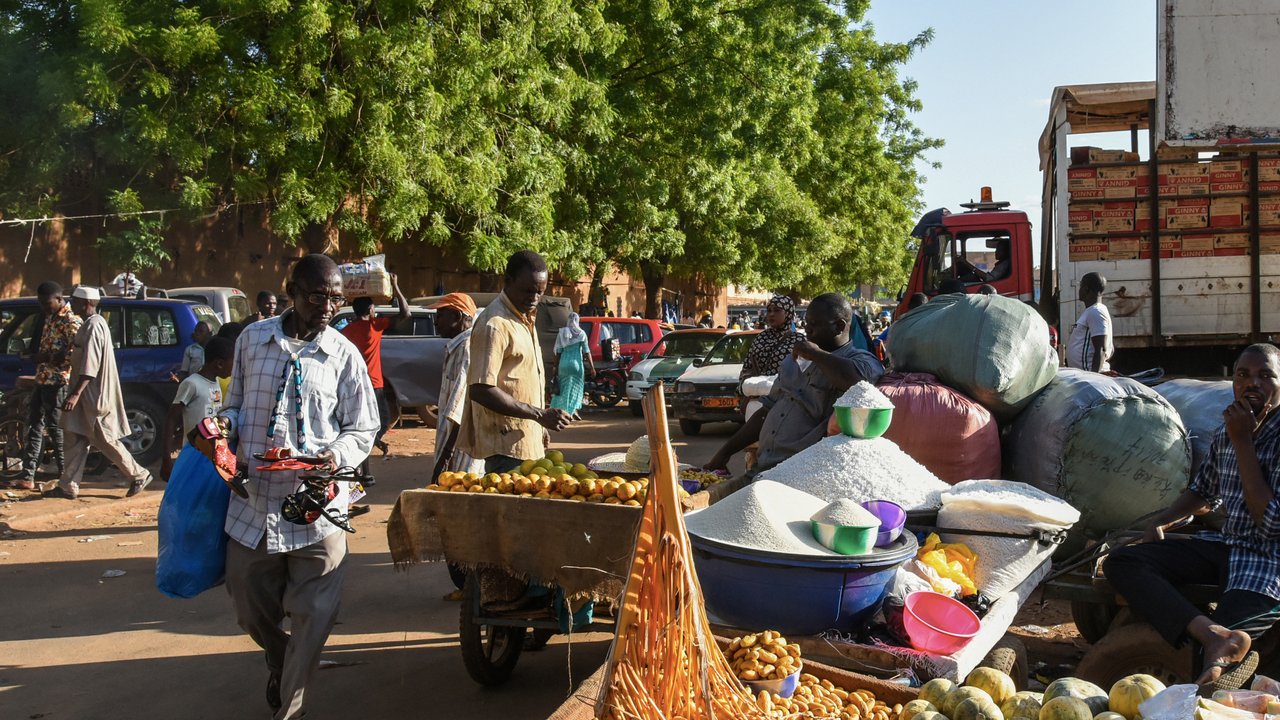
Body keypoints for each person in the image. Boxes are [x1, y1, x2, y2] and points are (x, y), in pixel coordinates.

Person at [219, 253, 379, 719]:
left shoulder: (343, 354)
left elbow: (363, 427)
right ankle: (279, 656)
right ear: (291, 293)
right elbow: (235, 407)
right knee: (249, 607)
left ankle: (290, 709)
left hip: (318, 509)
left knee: (314, 618)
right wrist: (220, 427)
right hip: (254, 505)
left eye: (335, 299)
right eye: (317, 296)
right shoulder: (252, 340)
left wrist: (336, 456)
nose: (327, 307)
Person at [1104, 344, 1280, 690]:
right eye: (1243, 375)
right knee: (1123, 561)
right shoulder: (1230, 429)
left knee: (1211, 669)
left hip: (1269, 561)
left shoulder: (1244, 432)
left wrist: (1244, 443)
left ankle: (1221, 657)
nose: (1252, 383)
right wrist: (1161, 521)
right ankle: (1212, 633)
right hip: (1229, 545)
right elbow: (1204, 491)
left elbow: (1271, 522)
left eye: (1265, 376)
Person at [706, 293, 885, 476]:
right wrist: (725, 452)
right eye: (806, 323)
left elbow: (857, 381)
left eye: (813, 324)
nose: (807, 329)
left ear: (839, 326)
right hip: (766, 468)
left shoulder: (861, 361)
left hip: (806, 474)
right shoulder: (794, 361)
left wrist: (816, 354)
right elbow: (767, 410)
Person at [461, 250, 572, 474]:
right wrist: (539, 415)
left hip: (526, 441)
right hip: (505, 447)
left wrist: (539, 426)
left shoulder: (524, 318)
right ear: (508, 281)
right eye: (528, 291)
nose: (534, 298)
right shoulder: (494, 324)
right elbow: (481, 389)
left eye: (540, 292)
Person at [51, 287, 154, 500]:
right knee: (75, 436)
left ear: (86, 303)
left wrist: (75, 395)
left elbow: (90, 366)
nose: (72, 304)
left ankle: (139, 474)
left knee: (104, 438)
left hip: (93, 394)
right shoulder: (87, 324)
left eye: (75, 301)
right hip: (84, 393)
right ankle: (68, 485)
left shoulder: (94, 326)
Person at [428, 292, 483, 602]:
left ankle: (468, 585)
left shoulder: (466, 349)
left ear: (460, 317)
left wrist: (444, 459)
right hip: (453, 448)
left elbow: (460, 410)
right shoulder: (456, 347)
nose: (436, 321)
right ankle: (466, 584)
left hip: (461, 453)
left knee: (457, 519)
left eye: (442, 315)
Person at [10, 282, 81, 491]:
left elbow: (77, 353)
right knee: (33, 425)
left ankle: (64, 477)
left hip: (58, 382)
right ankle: (28, 475)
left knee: (56, 429)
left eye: (46, 303)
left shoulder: (71, 321)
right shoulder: (50, 318)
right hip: (42, 379)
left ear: (59, 299)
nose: (43, 307)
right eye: (41, 303)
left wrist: (48, 357)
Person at [339, 273, 409, 477]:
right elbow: (405, 313)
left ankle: (365, 472)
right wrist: (395, 285)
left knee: (360, 424)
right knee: (383, 420)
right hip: (374, 383)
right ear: (370, 310)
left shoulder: (346, 331)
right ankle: (373, 443)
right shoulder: (374, 326)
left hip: (353, 384)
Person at [161, 337, 234, 482]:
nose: (234, 367)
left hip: (212, 453)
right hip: (194, 454)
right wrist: (166, 459)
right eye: (233, 362)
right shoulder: (191, 384)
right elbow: (171, 419)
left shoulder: (216, 382)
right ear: (219, 364)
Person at [740, 295, 802, 383]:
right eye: (769, 311)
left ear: (788, 313)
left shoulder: (798, 340)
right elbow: (747, 367)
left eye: (777, 310)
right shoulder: (761, 338)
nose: (772, 314)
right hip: (759, 390)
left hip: (786, 390)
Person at [550, 313, 595, 418]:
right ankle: (573, 410)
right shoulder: (581, 334)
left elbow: (558, 352)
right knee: (576, 388)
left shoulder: (562, 333)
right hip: (577, 365)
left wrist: (555, 366)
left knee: (563, 389)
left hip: (563, 365)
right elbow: (587, 352)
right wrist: (592, 368)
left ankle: (563, 411)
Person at [1066, 272, 1113, 372]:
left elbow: (1101, 349)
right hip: (1084, 374)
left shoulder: (1096, 311)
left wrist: (1094, 377)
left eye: (1080, 286)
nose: (1079, 290)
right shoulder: (1092, 310)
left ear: (1086, 289)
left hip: (1089, 375)